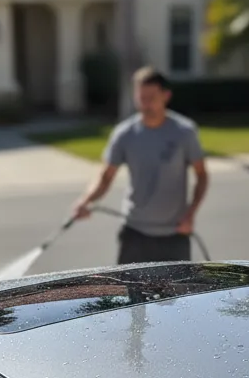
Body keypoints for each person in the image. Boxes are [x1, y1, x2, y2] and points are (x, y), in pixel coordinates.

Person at [71, 66, 209, 264]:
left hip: (175, 235)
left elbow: (202, 175)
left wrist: (191, 214)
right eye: (141, 97)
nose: (145, 104)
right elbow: (106, 177)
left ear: (166, 96)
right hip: (134, 234)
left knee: (176, 295)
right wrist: (85, 201)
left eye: (151, 97)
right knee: (133, 294)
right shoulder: (124, 134)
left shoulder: (184, 132)